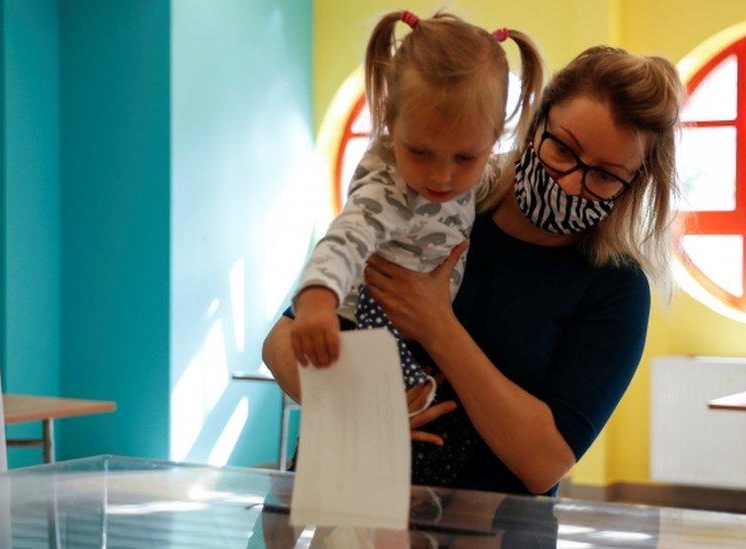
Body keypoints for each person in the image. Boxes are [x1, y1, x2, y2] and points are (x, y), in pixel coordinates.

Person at [264, 45, 683, 496]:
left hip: (494, 530)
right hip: (349, 503)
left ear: (634, 185)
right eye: (563, 148)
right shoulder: (442, 203)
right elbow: (282, 344)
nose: (569, 182)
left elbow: (544, 462)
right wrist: (356, 407)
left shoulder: (616, 286)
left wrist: (438, 328)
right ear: (533, 123)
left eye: (604, 176)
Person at [285, 10, 545, 482]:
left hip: (409, 329)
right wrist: (317, 301)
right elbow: (345, 239)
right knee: (394, 449)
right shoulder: (388, 187)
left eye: (466, 157)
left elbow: (494, 177)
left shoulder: (474, 171)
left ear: (493, 139)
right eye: (420, 151)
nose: (441, 177)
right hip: (360, 326)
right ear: (390, 122)